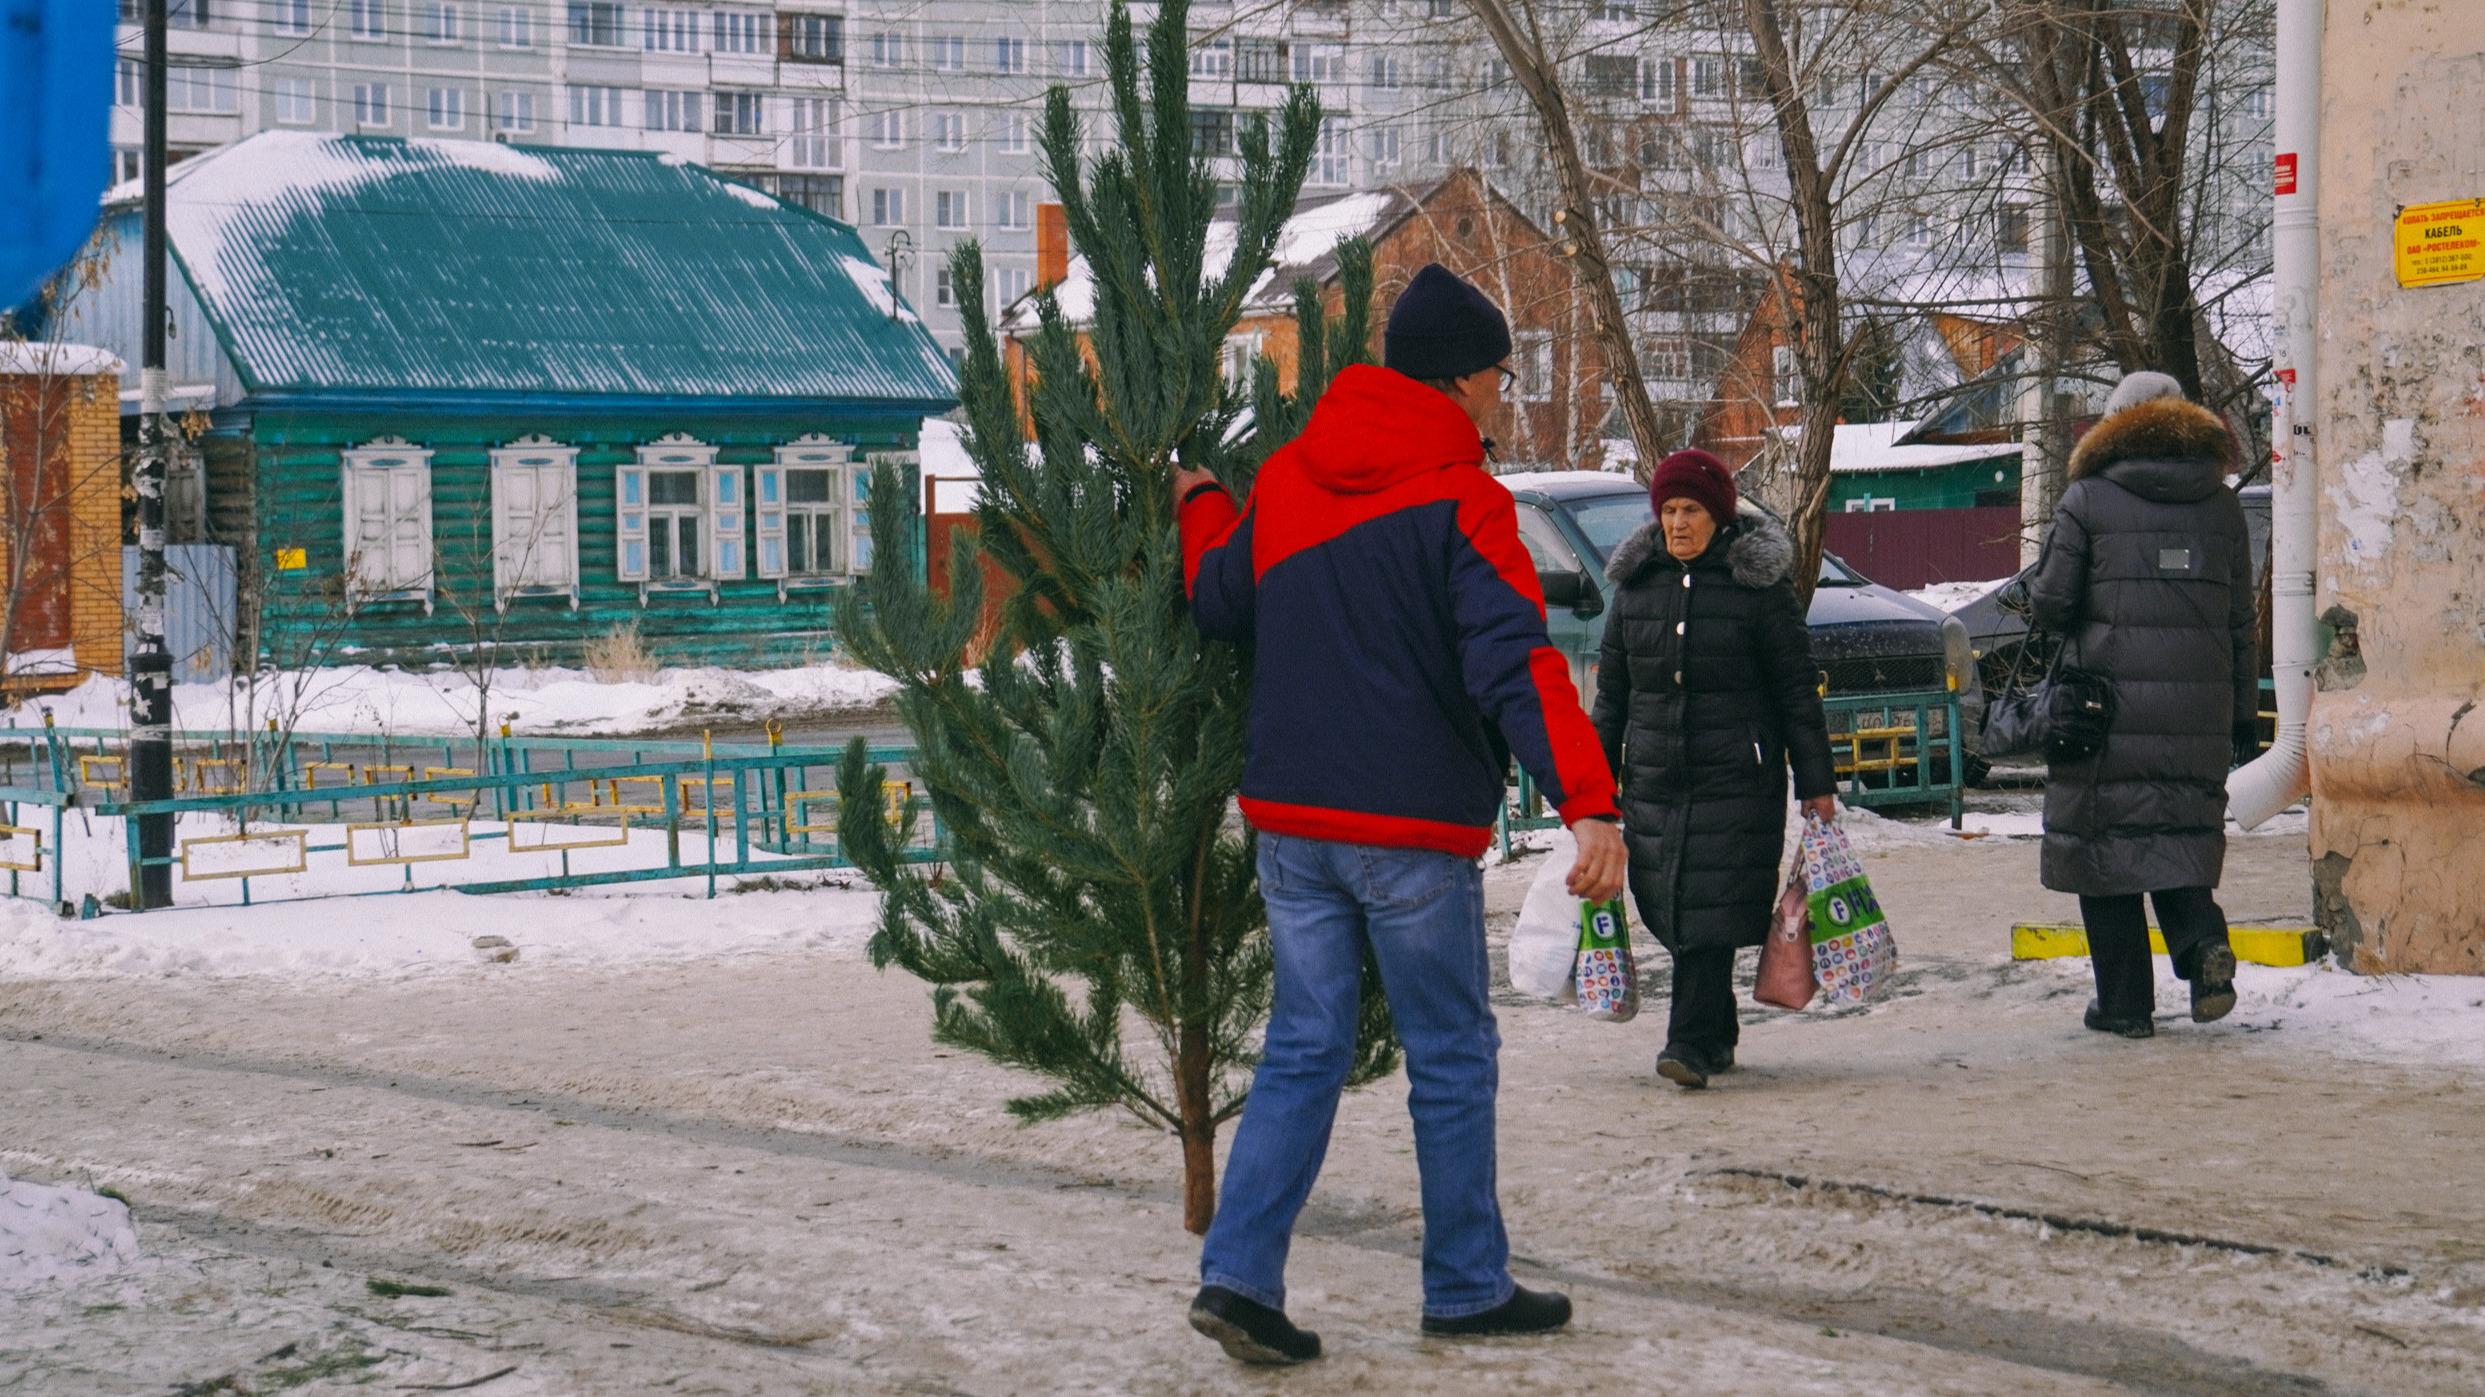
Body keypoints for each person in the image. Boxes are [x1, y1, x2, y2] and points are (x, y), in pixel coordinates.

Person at [1172, 262, 1627, 1365]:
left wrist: (1199, 504)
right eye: (1498, 379)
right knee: (1451, 1053)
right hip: (1409, 831)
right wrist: (1590, 804)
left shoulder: (1285, 477)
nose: (1499, 400)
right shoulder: (1463, 499)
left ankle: (1238, 1276)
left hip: (1292, 824)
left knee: (1301, 1049)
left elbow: (1218, 598)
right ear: (1462, 379)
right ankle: (1466, 1283)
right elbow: (1517, 663)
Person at [1590, 448, 1837, 1091]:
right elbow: (1612, 697)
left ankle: (1689, 1044)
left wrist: (1817, 784)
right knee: (1665, 904)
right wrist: (1591, 786)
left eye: (1691, 510)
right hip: (1653, 780)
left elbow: (1794, 692)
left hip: (1736, 779)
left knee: (1704, 909)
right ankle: (1718, 1029)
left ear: (1719, 517)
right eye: (1669, 510)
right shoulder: (1636, 589)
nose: (1678, 523)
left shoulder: (1758, 591)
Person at [2027, 370, 2254, 1037]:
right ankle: (2201, 944)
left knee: (2106, 850)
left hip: (2107, 707)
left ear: (2114, 423)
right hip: (2200, 710)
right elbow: (2240, 619)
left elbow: (2052, 603)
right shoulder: (2221, 504)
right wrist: (2240, 713)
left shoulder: (2087, 498)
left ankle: (2124, 1005)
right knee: (2177, 837)